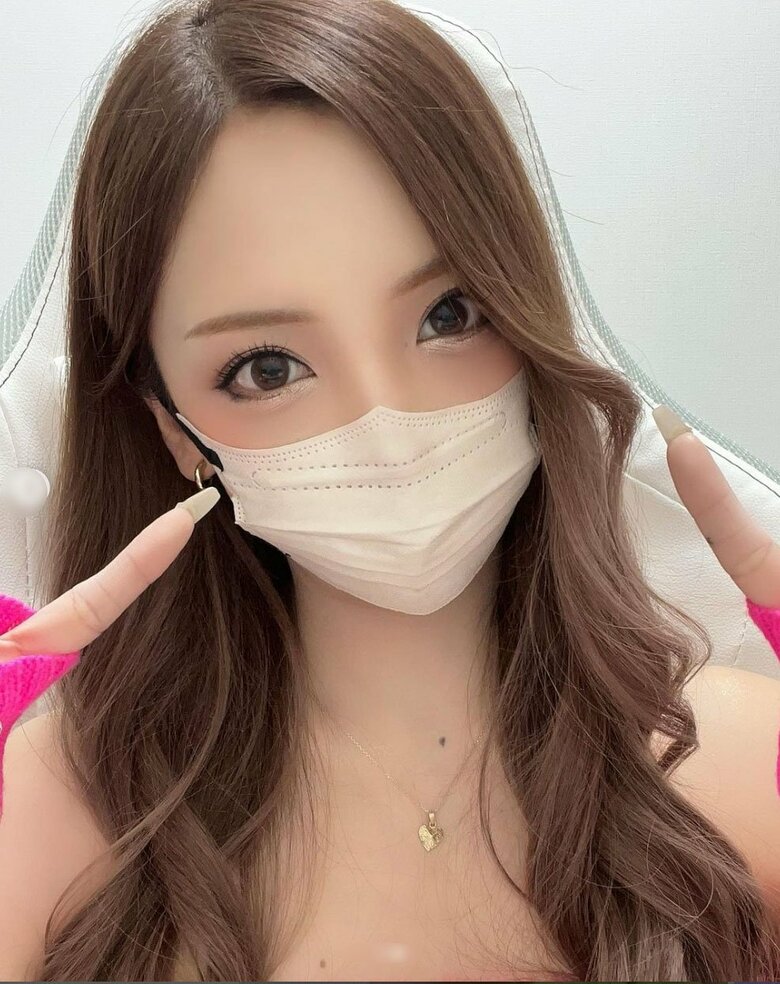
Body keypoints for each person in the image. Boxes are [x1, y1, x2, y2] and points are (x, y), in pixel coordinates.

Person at [0, 0, 778, 980]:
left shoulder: (741, 765)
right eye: (268, 368)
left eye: (449, 315)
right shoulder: (55, 819)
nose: (387, 420)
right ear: (171, 426)